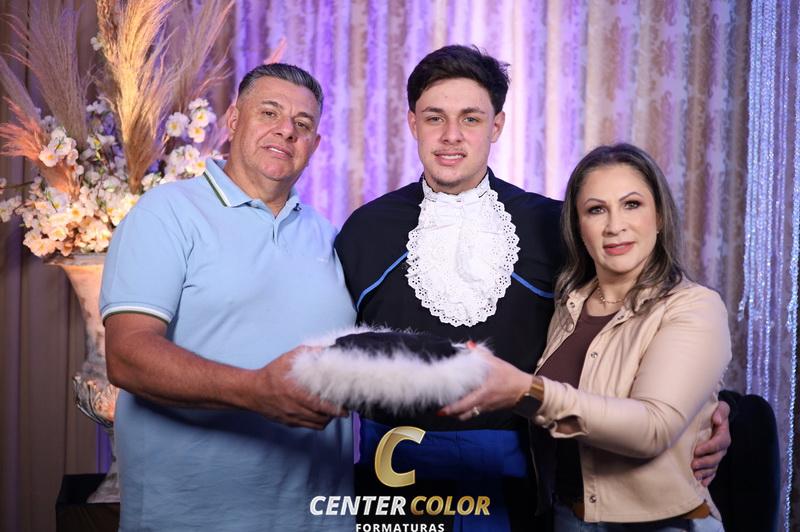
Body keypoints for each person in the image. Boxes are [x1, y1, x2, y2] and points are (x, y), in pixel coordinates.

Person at [335, 45, 731, 531]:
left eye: (471, 119)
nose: (451, 135)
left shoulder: (552, 225)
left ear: (497, 126)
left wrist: (708, 412)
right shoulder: (364, 230)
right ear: (412, 123)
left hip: (525, 488)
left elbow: (630, 330)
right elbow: (330, 354)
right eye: (435, 118)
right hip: (393, 482)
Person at [100, 64, 355, 531]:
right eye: (270, 113)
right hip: (192, 518)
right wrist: (254, 391)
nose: (286, 130)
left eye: (302, 124)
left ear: (315, 145)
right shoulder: (167, 214)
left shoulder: (331, 236)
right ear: (234, 119)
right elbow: (126, 355)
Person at [442, 143, 729, 531]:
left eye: (632, 205)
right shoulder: (569, 304)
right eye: (596, 210)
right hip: (568, 518)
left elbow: (654, 428)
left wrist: (528, 391)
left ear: (659, 215)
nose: (614, 226)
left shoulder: (694, 306)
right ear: (578, 226)